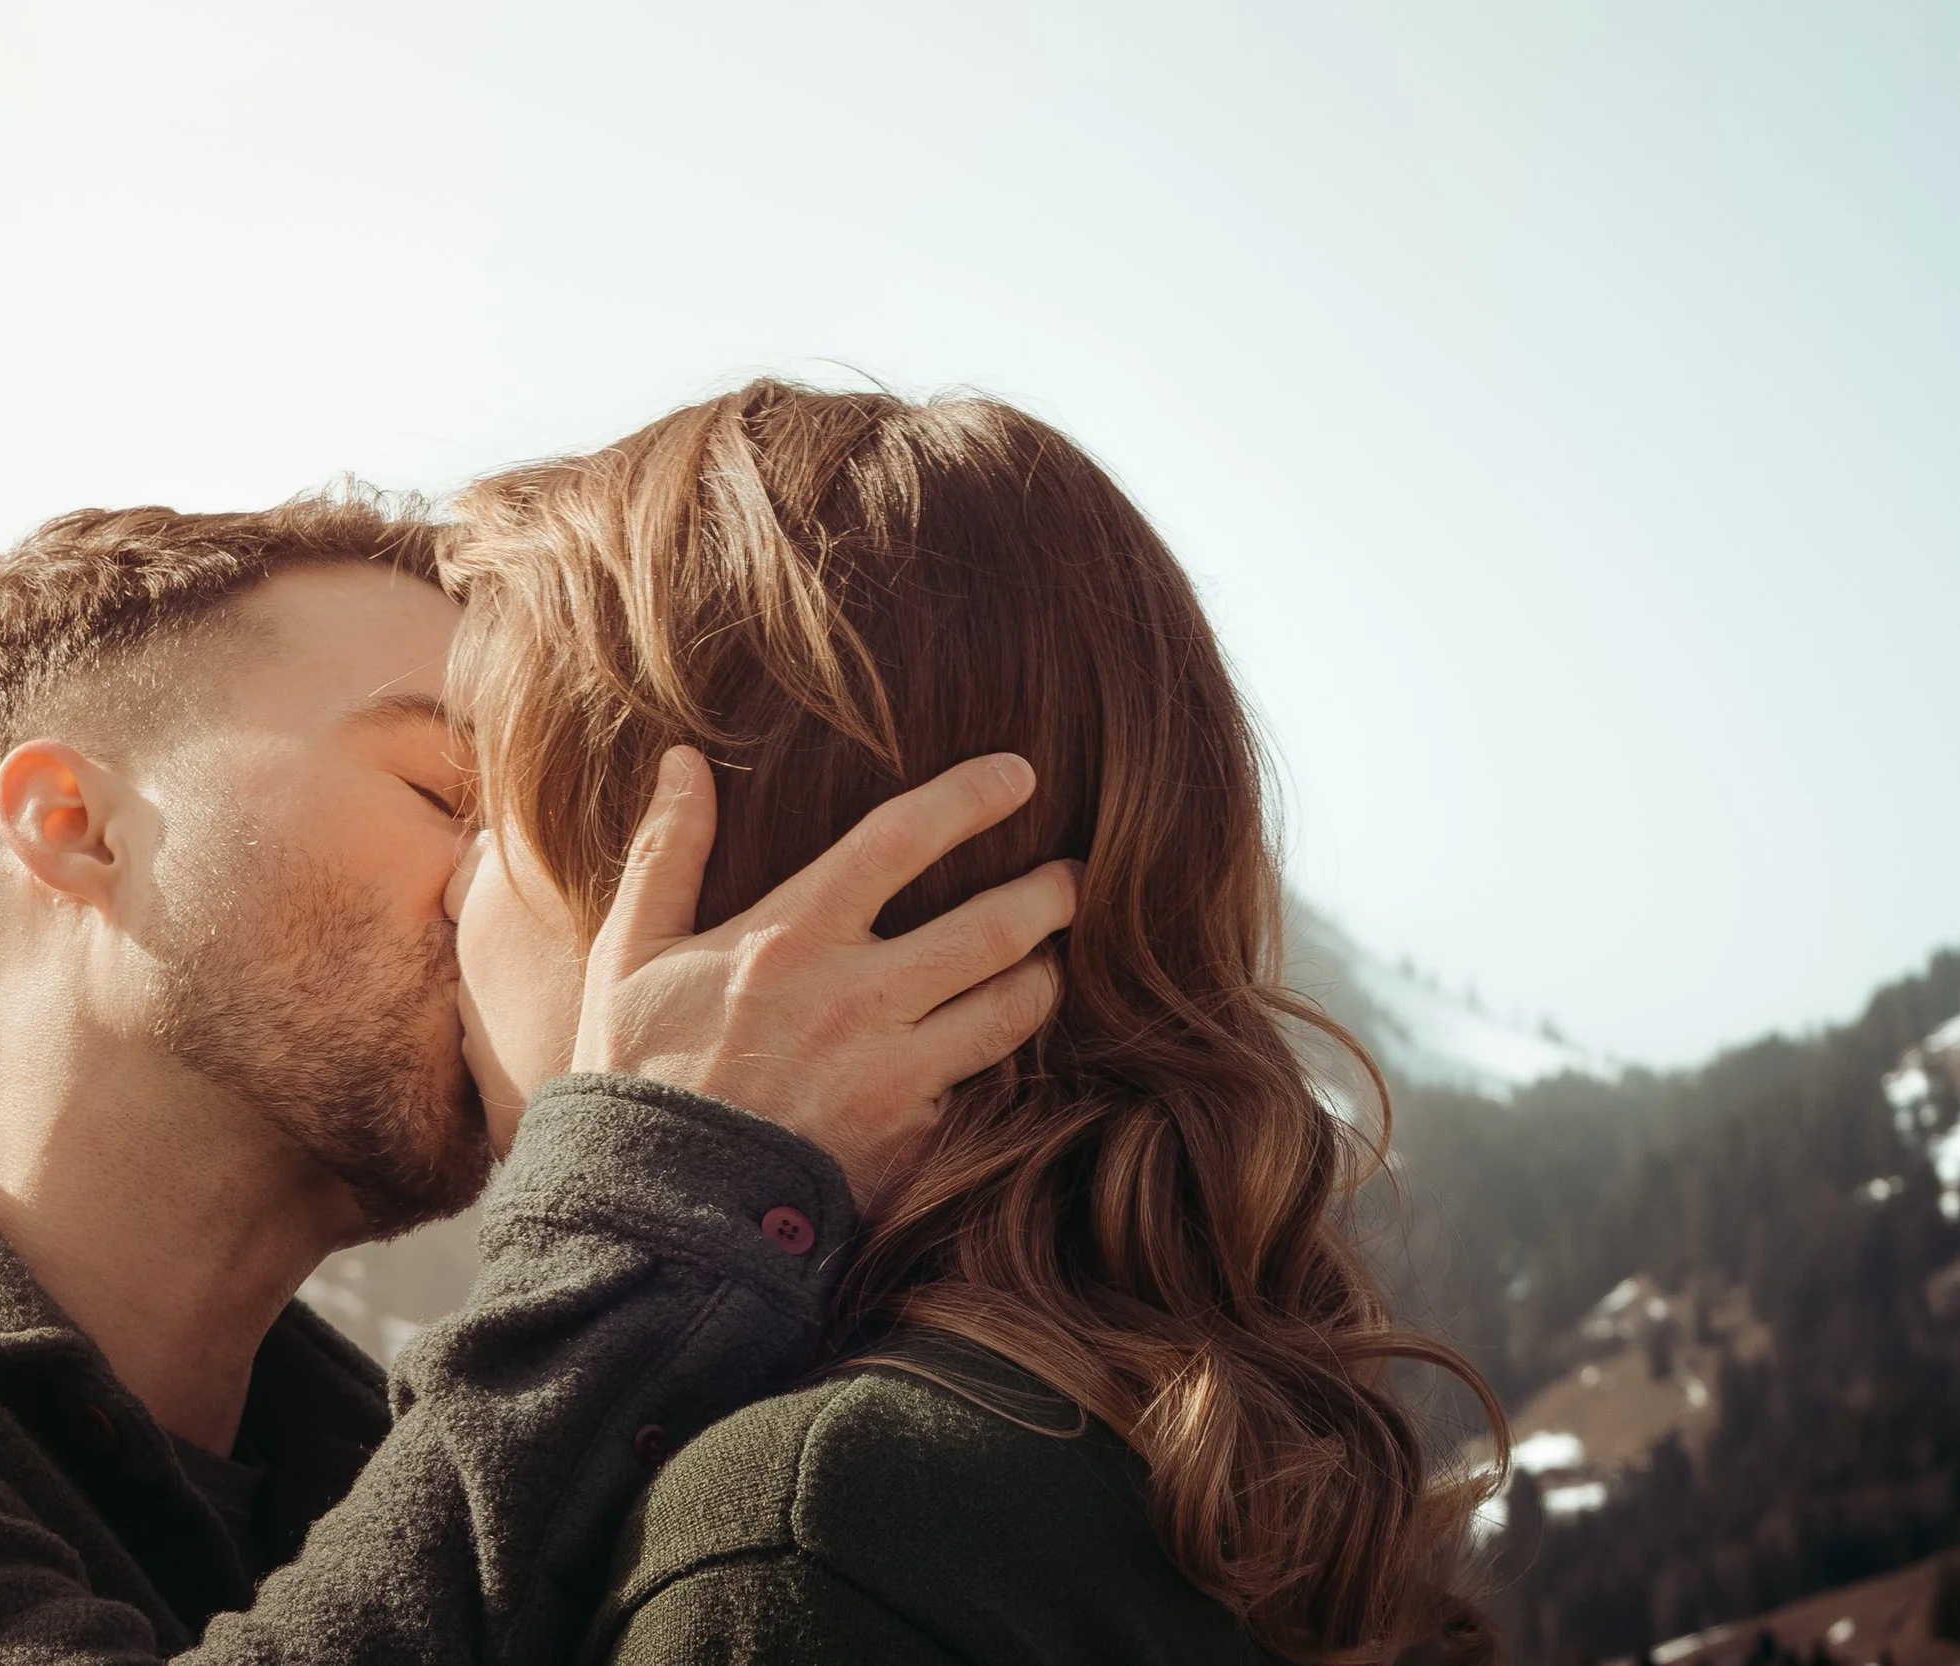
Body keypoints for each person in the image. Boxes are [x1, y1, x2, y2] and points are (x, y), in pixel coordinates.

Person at [0, 496, 1076, 1664]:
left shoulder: (391, 1473)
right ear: (79, 826)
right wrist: (671, 1198)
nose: (508, 894)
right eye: (450, 787)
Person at [441, 381, 1510, 1665]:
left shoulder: (810, 1534)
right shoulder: (1155, 1454)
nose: (451, 887)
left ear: (726, 899)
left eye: (477, 809)